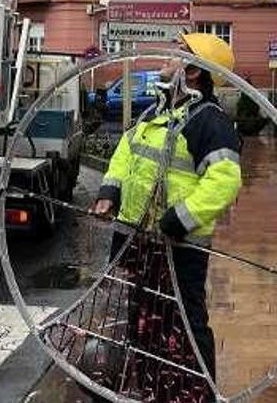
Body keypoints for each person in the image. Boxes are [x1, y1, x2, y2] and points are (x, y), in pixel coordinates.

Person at [90, 33, 243, 383]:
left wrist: (179, 219)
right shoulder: (155, 112)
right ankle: (148, 384)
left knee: (184, 321)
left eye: (177, 54)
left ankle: (197, 391)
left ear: (192, 71)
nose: (166, 58)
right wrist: (108, 192)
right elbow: (125, 154)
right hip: (137, 239)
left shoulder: (209, 122)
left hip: (179, 247)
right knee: (142, 314)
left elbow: (225, 182)